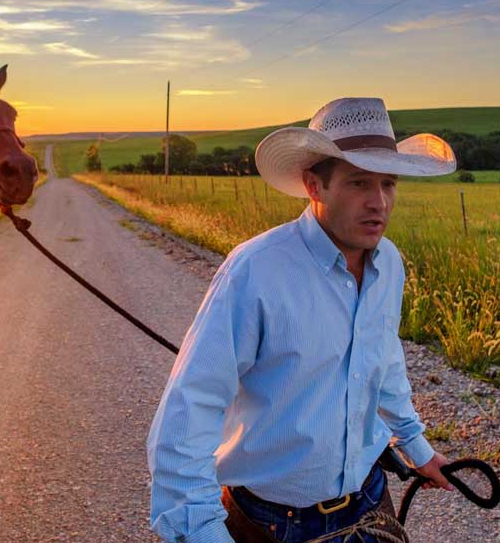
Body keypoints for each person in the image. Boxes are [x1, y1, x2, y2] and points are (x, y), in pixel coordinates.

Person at [147, 98, 459, 543]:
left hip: (370, 506)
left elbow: (383, 361)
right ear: (315, 186)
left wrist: (419, 450)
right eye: (358, 183)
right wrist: (201, 532)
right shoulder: (256, 270)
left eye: (388, 183)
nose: (379, 202)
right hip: (271, 524)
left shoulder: (388, 263)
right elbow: (189, 409)